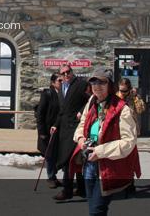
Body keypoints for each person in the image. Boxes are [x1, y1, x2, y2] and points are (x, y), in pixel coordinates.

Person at [70, 68, 137, 216]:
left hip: (108, 168)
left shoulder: (122, 109)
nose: (96, 85)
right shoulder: (92, 102)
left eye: (102, 82)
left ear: (110, 85)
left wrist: (100, 151)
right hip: (89, 164)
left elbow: (129, 142)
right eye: (93, 81)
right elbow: (82, 124)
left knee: (96, 210)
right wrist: (81, 139)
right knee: (93, 207)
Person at [51, 64, 88, 200]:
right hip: (64, 130)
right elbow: (62, 111)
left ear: (72, 72)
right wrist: (55, 125)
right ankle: (81, 189)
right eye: (63, 73)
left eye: (68, 72)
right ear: (60, 76)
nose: (66, 75)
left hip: (77, 128)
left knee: (70, 160)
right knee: (73, 160)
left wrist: (81, 111)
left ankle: (67, 191)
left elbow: (90, 99)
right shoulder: (61, 88)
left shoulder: (81, 84)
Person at [116, 78, 144, 193]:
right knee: (119, 157)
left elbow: (141, 109)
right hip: (117, 131)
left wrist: (136, 97)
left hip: (131, 132)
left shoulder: (133, 97)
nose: (122, 93)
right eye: (121, 90)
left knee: (130, 158)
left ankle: (130, 182)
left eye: (125, 91)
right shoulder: (115, 98)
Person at [36, 73, 62, 188]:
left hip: (59, 129)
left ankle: (54, 176)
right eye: (59, 81)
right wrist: (41, 132)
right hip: (48, 130)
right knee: (50, 154)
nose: (62, 82)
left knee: (56, 153)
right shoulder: (47, 94)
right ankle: (50, 177)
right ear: (53, 83)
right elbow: (40, 113)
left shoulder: (63, 94)